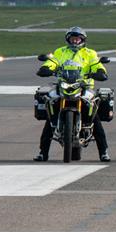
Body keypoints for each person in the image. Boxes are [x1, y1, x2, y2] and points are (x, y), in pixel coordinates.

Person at [34, 26, 110, 162]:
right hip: (63, 85)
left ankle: (104, 152)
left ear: (83, 40)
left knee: (95, 119)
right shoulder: (60, 51)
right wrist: (46, 68)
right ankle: (42, 152)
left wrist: (100, 72)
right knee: (51, 118)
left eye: (78, 38)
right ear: (68, 39)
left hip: (84, 87)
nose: (75, 41)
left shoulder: (90, 53)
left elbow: (97, 65)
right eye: (73, 38)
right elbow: (52, 62)